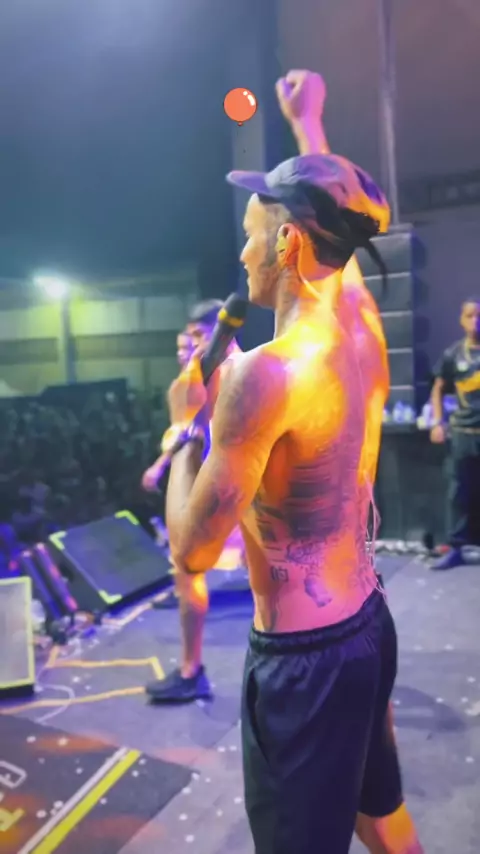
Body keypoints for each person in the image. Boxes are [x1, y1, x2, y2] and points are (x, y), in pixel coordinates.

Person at [164, 70, 422, 854]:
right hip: (367, 624)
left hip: (303, 665)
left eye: (251, 232)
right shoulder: (361, 336)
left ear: (287, 241)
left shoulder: (261, 376)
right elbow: (342, 232)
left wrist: (183, 433)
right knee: (381, 813)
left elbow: (193, 550)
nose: (242, 251)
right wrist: (309, 124)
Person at [142, 298, 243, 703]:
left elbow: (191, 431)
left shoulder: (221, 372)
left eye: (198, 336)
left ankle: (191, 671)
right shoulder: (234, 367)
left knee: (188, 568)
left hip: (226, 488)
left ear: (220, 330)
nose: (191, 346)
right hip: (234, 488)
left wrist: (167, 459)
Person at [429, 296, 480, 569]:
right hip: (463, 433)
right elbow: (438, 388)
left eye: (479, 316)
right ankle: (456, 548)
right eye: (470, 316)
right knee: (459, 492)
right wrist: (438, 422)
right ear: (462, 320)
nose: (476, 321)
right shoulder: (453, 354)